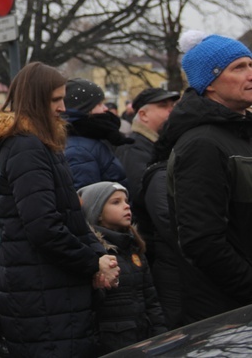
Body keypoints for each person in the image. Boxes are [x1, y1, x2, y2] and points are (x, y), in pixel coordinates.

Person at [0, 62, 119, 357]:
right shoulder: (26, 147)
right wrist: (92, 262)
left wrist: (99, 254)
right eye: (56, 100)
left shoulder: (40, 144)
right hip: (42, 292)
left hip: (50, 287)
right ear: (36, 100)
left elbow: (71, 217)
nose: (63, 107)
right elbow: (44, 226)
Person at [163, 31, 252, 323]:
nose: (250, 74)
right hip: (226, 315)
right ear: (209, 83)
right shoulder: (202, 144)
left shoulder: (238, 133)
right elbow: (203, 241)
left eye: (250, 65)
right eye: (238, 68)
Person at [78, 182, 166, 354]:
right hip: (112, 345)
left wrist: (160, 336)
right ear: (97, 213)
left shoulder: (134, 249)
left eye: (126, 201)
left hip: (144, 341)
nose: (126, 206)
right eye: (115, 202)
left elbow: (151, 300)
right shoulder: (94, 253)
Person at [63, 78, 130, 190]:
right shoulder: (79, 150)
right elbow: (88, 199)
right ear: (84, 108)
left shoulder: (91, 139)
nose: (105, 109)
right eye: (99, 104)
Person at [114, 87, 179, 199]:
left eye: (172, 105)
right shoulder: (133, 149)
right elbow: (142, 195)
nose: (171, 110)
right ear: (143, 115)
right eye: (163, 105)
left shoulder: (159, 144)